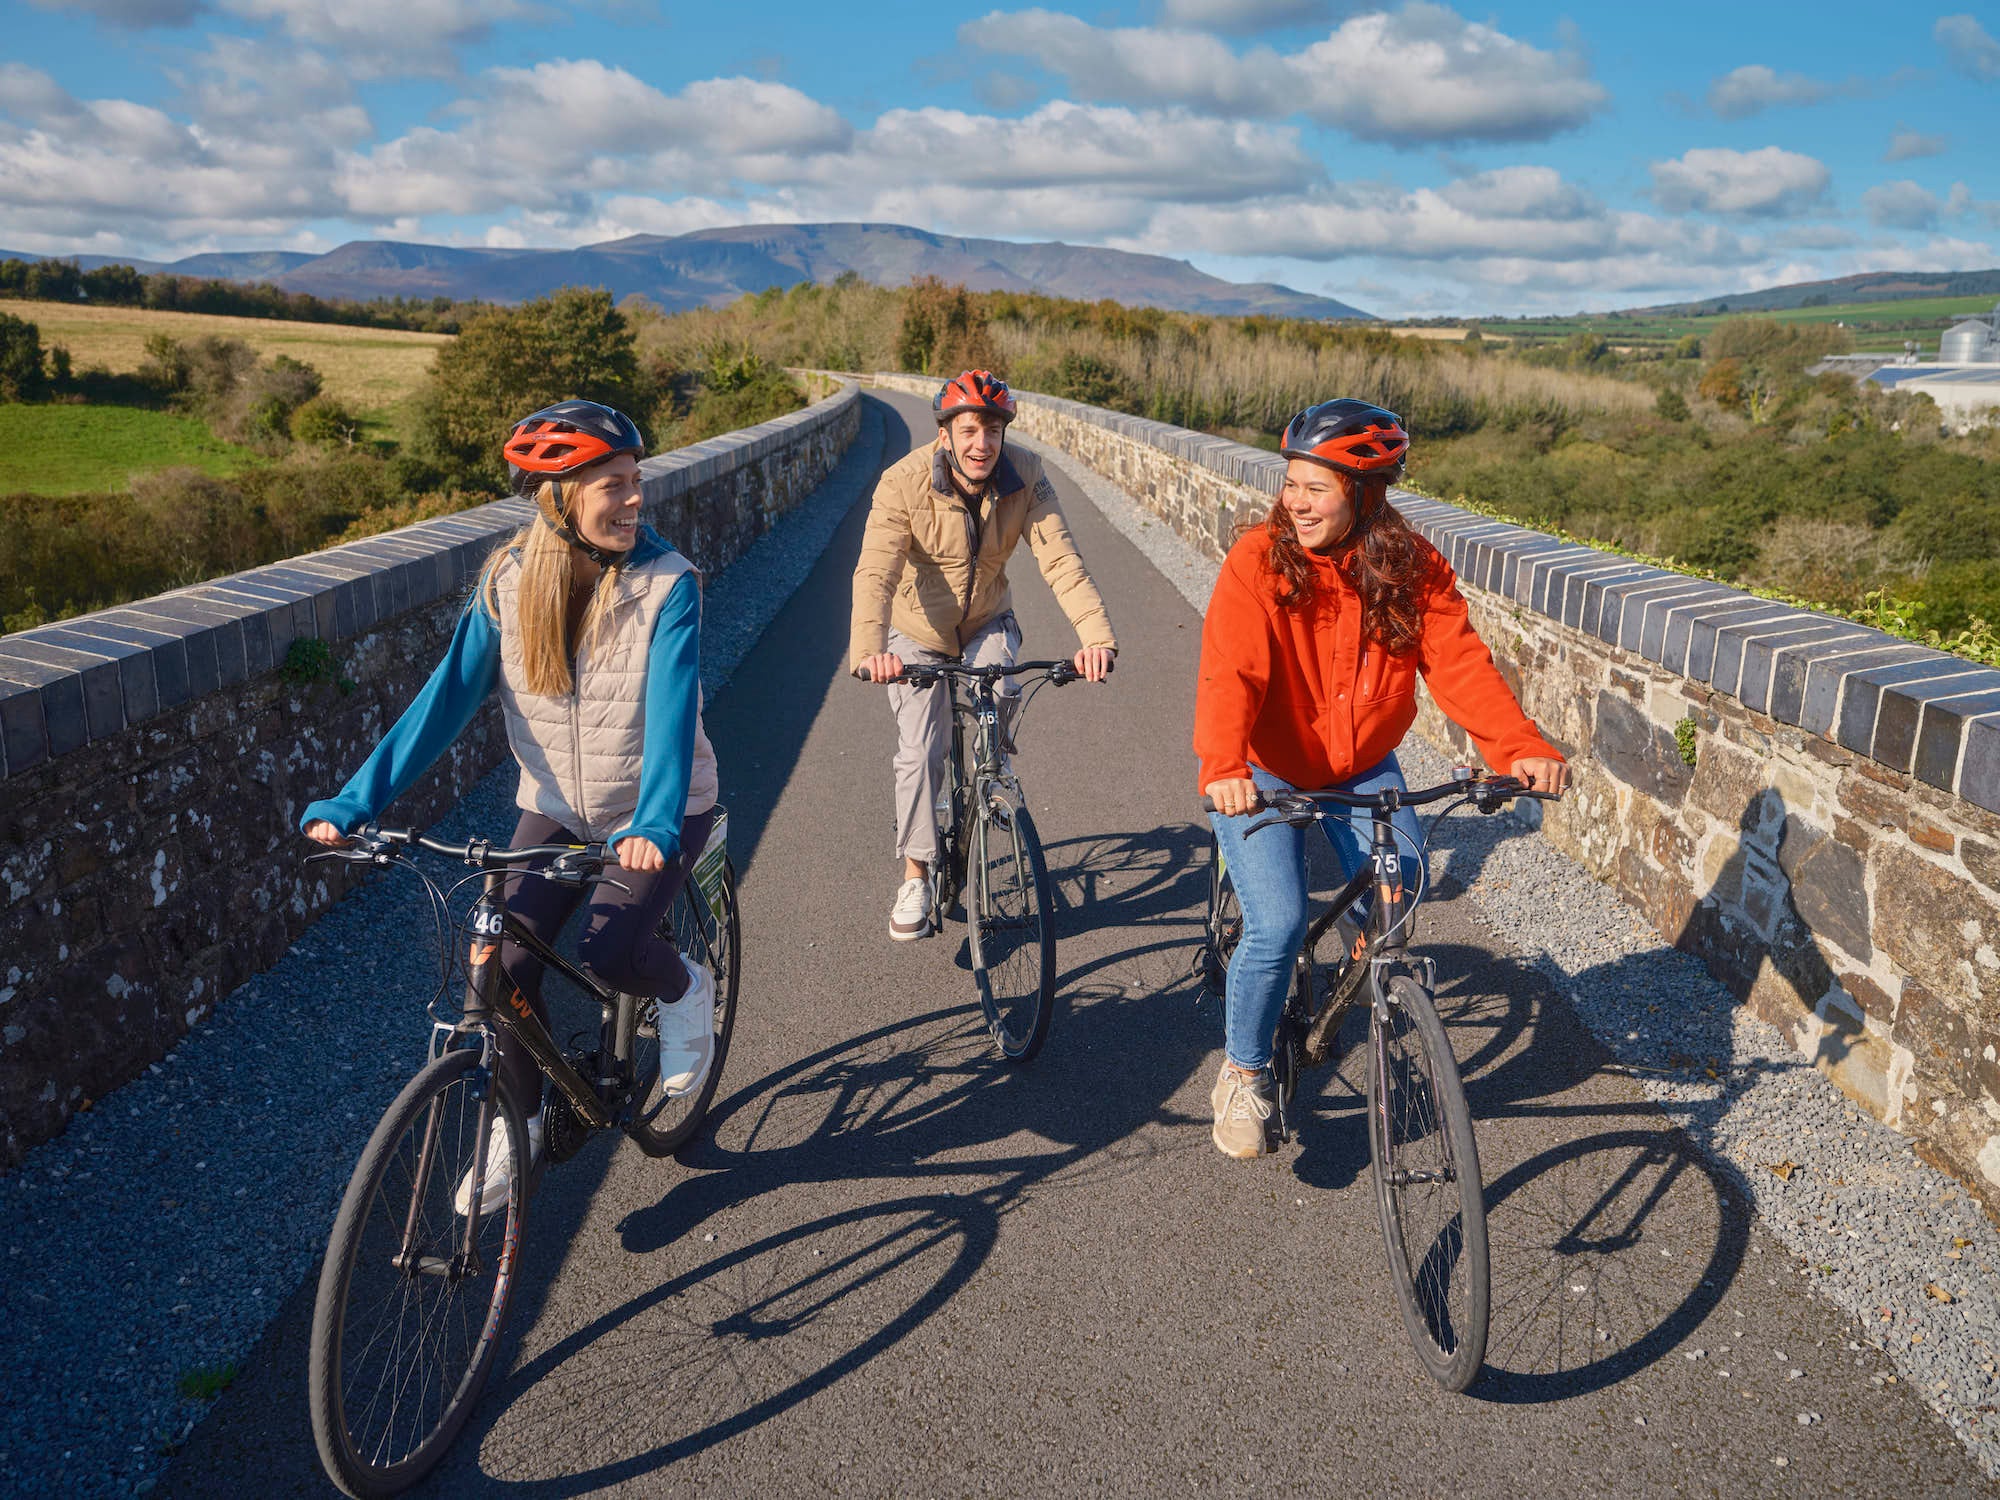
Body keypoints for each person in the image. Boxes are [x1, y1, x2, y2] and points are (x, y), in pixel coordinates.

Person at [301, 399, 720, 1212]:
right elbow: (444, 702)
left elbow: (672, 717)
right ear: (559, 498)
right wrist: (357, 800)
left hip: (658, 805)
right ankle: (517, 1124)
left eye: (637, 481)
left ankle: (683, 988)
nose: (635, 500)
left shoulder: (668, 585)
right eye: (613, 485)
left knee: (608, 950)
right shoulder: (508, 581)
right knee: (500, 966)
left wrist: (657, 822)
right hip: (559, 805)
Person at [1195, 398, 1568, 1160]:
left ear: (1365, 494)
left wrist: (1516, 745)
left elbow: (1460, 663)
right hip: (1262, 770)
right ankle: (1244, 1071)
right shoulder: (1259, 563)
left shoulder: (1413, 568)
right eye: (1290, 483)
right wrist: (1226, 766)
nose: (1295, 501)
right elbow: (1229, 673)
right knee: (1275, 924)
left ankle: (1359, 989)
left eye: (1315, 488)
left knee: (1408, 881)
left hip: (1363, 766)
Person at [850, 370, 1116, 939]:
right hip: (914, 629)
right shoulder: (902, 482)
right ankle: (916, 873)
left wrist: (1095, 636)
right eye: (969, 430)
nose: (981, 443)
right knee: (922, 748)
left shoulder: (1028, 476)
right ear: (945, 433)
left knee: (1001, 686)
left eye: (992, 430)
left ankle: (990, 766)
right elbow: (876, 571)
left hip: (987, 618)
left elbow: (1061, 561)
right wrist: (870, 650)